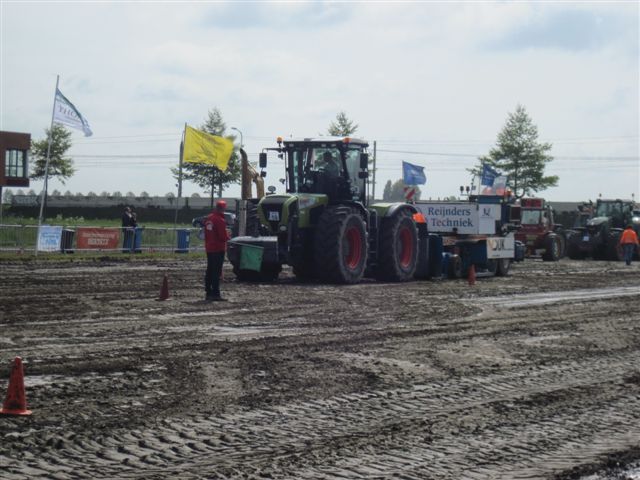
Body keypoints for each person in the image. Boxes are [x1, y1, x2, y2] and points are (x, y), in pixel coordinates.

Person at [204, 200, 231, 301]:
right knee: (216, 272)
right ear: (223, 208)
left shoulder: (209, 218)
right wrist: (228, 236)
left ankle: (208, 292)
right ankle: (216, 293)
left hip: (209, 248)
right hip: (218, 248)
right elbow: (222, 236)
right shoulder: (220, 220)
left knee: (210, 270)